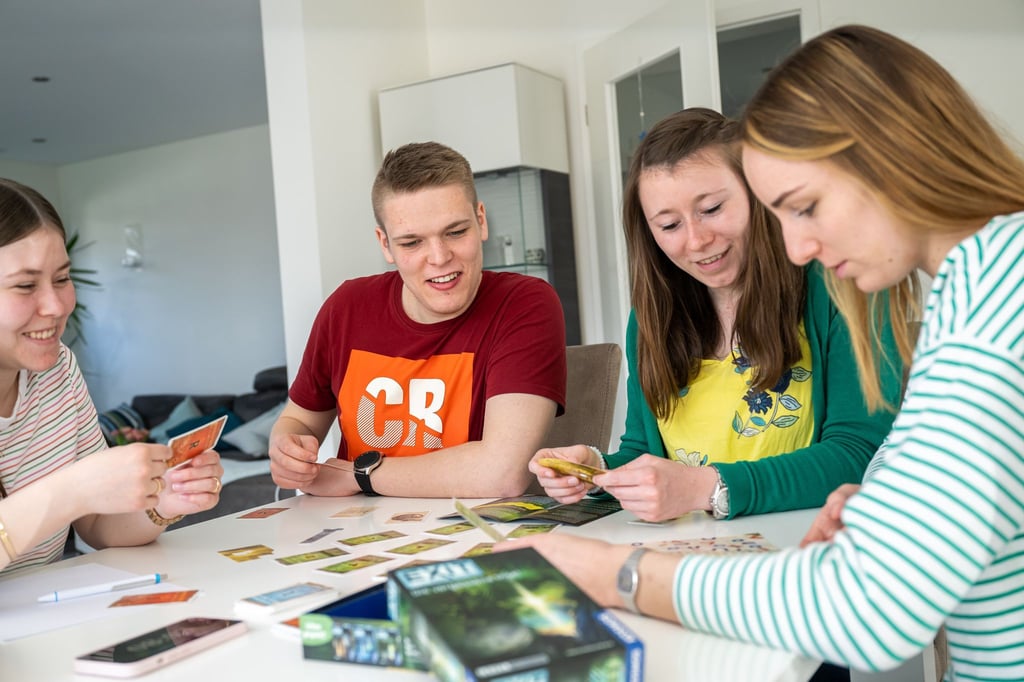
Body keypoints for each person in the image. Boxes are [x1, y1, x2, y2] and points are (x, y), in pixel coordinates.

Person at [504, 25, 1024, 680]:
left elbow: (871, 613)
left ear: (888, 153)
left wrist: (617, 573)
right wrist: (885, 500)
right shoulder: (979, 287)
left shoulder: (994, 307)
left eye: (804, 207)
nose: (797, 247)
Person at [530, 108, 903, 522]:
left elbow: (859, 454)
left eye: (711, 208)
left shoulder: (839, 282)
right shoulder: (651, 317)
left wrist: (707, 488)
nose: (698, 240)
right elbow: (646, 453)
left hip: (806, 543)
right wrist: (599, 472)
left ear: (756, 194)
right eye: (669, 225)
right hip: (688, 551)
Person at [269, 141, 566, 499]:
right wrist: (287, 448)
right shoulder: (345, 307)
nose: (439, 258)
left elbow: (502, 473)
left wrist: (358, 475)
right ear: (385, 245)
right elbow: (299, 420)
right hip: (354, 534)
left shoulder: (525, 303)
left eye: (456, 232)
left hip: (471, 531)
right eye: (411, 243)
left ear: (481, 220)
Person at [0, 179, 223, 577]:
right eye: (25, 286)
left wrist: (162, 501)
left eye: (62, 279)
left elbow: (98, 527)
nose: (55, 306)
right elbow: (77, 497)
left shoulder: (59, 372)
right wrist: (73, 489)